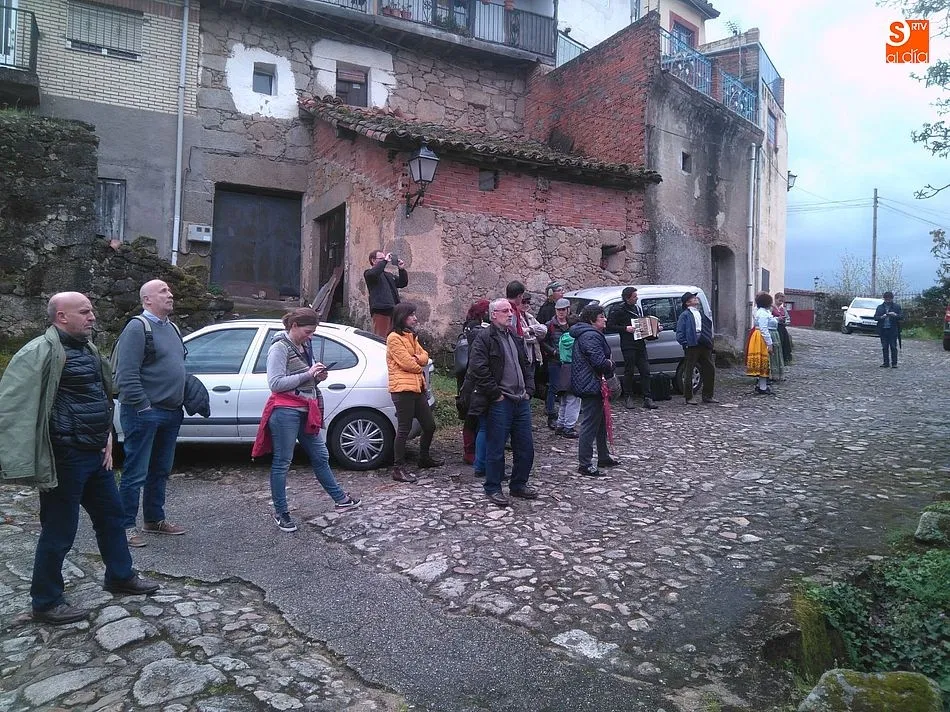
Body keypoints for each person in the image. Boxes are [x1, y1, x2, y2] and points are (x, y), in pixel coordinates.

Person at [0, 292, 160, 625]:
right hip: (64, 457)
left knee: (112, 518)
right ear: (62, 316)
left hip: (95, 455)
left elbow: (100, 397)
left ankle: (120, 576)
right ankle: (45, 602)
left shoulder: (87, 350)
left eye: (91, 311)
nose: (92, 317)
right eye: (85, 312)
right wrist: (26, 459)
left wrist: (107, 437)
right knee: (59, 531)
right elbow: (13, 407)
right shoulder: (38, 353)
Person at [253, 308, 361, 533]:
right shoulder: (279, 348)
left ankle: (341, 499)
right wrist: (309, 374)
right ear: (294, 326)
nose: (310, 336)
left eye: (312, 332)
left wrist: (317, 377)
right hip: (285, 411)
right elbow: (275, 384)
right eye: (307, 331)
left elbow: (304, 381)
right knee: (283, 461)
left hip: (306, 409)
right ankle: (281, 512)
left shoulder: (304, 346)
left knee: (321, 455)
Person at [114, 279, 187, 548]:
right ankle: (124, 526)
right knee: (135, 473)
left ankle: (154, 520)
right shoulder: (137, 327)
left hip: (171, 412)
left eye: (169, 289)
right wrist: (143, 406)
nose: (170, 294)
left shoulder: (173, 328)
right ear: (147, 300)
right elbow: (126, 374)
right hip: (144, 412)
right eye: (163, 291)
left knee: (160, 470)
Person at [464, 298, 537, 507]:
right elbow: (478, 368)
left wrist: (529, 390)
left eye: (510, 310)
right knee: (496, 447)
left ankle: (518, 484)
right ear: (493, 314)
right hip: (500, 401)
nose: (510, 314)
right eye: (505, 311)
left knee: (525, 446)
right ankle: (493, 488)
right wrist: (496, 394)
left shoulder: (513, 336)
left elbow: (525, 364)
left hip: (520, 400)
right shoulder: (484, 337)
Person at [387, 302, 440, 482]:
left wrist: (418, 360)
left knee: (429, 425)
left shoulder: (410, 336)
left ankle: (424, 458)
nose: (415, 318)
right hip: (402, 390)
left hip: (417, 387)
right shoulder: (394, 338)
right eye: (411, 315)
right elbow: (408, 364)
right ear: (402, 317)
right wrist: (418, 364)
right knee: (404, 429)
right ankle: (398, 468)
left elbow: (425, 356)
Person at [570, 305, 621, 477]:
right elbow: (599, 362)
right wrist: (611, 364)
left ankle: (603, 456)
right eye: (601, 316)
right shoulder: (590, 336)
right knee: (590, 424)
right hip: (591, 384)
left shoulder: (588, 334)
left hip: (591, 383)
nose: (605, 319)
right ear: (592, 320)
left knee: (600, 422)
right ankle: (584, 464)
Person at [606, 286, 660, 411]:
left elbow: (643, 324)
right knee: (629, 371)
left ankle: (647, 398)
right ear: (627, 298)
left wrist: (655, 329)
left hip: (640, 344)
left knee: (645, 371)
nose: (637, 298)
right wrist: (625, 328)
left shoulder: (637, 308)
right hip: (628, 344)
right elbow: (610, 326)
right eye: (634, 296)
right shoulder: (618, 310)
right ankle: (628, 396)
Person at [457, 300, 490, 469]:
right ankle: (469, 452)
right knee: (471, 416)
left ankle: (474, 451)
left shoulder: (471, 327)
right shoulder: (475, 330)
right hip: (471, 379)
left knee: (474, 416)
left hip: (469, 377)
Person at [674, 292, 717, 405]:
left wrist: (708, 340)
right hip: (692, 345)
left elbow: (706, 327)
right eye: (693, 298)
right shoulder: (685, 315)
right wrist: (686, 343)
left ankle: (708, 395)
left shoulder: (700, 313)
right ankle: (689, 397)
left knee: (710, 369)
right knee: (689, 370)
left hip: (704, 343)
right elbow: (680, 332)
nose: (696, 299)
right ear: (687, 303)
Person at [542, 298, 573, 429]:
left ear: (568, 310)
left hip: (569, 362)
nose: (561, 312)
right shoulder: (550, 325)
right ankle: (551, 415)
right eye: (558, 310)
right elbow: (543, 342)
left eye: (563, 309)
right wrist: (553, 352)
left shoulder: (572, 324)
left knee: (568, 388)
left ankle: (565, 415)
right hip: (555, 361)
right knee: (553, 388)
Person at [364, 250, 408, 338]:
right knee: (381, 338)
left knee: (393, 337)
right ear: (373, 260)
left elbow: (402, 283)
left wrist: (401, 269)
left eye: (385, 258)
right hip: (381, 311)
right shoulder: (369, 273)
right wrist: (385, 261)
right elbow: (374, 273)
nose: (385, 261)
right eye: (381, 259)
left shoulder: (388, 275)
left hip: (393, 310)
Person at [555, 316, 581, 438]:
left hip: (563, 368)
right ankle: (569, 427)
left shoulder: (563, 337)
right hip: (573, 368)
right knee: (574, 400)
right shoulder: (576, 339)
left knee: (564, 400)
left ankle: (560, 424)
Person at [747, 292, 775, 395]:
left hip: (758, 336)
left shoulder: (761, 312)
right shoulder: (763, 313)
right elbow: (764, 329)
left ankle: (761, 385)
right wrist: (769, 343)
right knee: (763, 360)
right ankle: (762, 387)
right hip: (760, 338)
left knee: (763, 361)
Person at [874, 291, 903, 368]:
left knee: (893, 347)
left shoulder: (896, 307)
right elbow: (875, 317)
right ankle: (886, 363)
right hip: (883, 330)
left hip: (893, 330)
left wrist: (895, 315)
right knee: (884, 347)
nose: (888, 300)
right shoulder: (880, 307)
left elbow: (901, 317)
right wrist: (881, 317)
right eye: (886, 299)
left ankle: (894, 363)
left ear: (892, 298)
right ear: (884, 299)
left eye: (889, 299)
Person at [772, 292, 793, 364]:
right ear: (775, 299)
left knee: (785, 343)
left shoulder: (783, 309)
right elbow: (769, 318)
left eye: (782, 301)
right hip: (775, 328)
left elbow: (788, 318)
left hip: (782, 327)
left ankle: (785, 359)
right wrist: (778, 319)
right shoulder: (771, 308)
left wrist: (786, 321)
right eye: (779, 300)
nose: (781, 302)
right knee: (778, 342)